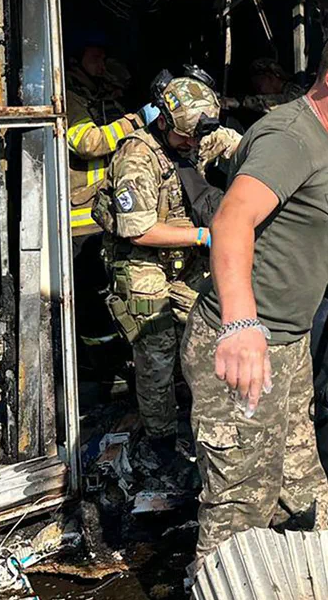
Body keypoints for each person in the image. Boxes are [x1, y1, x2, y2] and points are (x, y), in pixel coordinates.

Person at [181, 27, 328, 565]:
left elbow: (314, 209)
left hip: (289, 345)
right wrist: (240, 325)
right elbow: (231, 221)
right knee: (241, 509)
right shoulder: (290, 138)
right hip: (245, 346)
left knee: (301, 489)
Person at [97, 72, 228, 460]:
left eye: (196, 138)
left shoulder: (197, 137)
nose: (193, 145)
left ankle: (215, 425)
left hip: (183, 261)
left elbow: (242, 145)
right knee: (157, 352)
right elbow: (140, 231)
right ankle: (163, 441)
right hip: (142, 261)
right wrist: (203, 236)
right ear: (164, 122)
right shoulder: (137, 157)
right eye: (185, 138)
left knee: (214, 327)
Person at [66, 35, 158, 242]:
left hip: (104, 214)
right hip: (83, 221)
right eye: (95, 58)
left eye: (103, 58)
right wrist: (136, 121)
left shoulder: (99, 97)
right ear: (74, 60)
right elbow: (87, 143)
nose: (102, 65)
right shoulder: (69, 98)